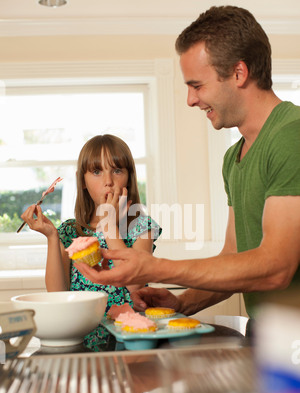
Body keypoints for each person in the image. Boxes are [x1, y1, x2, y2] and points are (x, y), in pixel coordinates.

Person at [74, 6, 300, 337]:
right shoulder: (233, 159)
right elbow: (235, 260)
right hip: (272, 336)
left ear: (239, 73)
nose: (190, 100)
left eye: (197, 85)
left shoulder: (290, 136)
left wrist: (155, 268)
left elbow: (276, 268)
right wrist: (183, 303)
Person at [21, 134, 161, 350]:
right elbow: (57, 294)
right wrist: (52, 237)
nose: (108, 181)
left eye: (117, 170)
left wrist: (109, 226)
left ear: (128, 178)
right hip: (80, 342)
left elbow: (135, 283)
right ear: (83, 181)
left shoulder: (141, 226)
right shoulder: (69, 231)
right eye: (97, 172)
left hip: (129, 342)